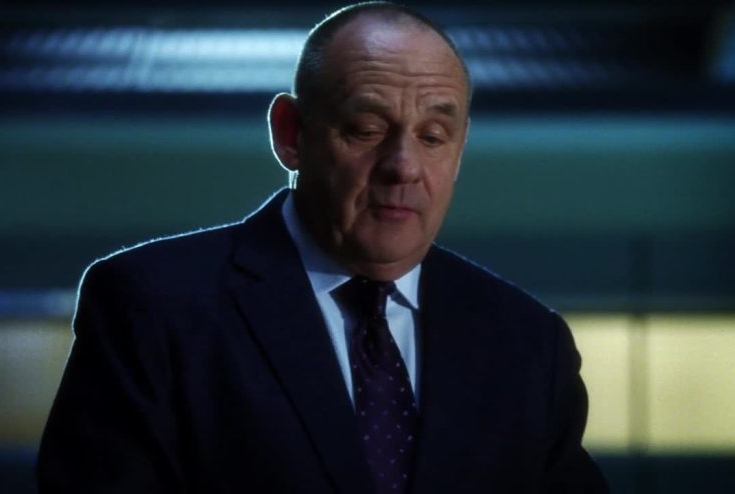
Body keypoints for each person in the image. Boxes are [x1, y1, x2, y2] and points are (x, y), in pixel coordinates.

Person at [38, 2, 608, 493]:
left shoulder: (528, 344)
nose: (403, 166)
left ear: (459, 151)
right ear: (291, 133)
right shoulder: (154, 308)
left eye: (433, 137)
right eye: (366, 129)